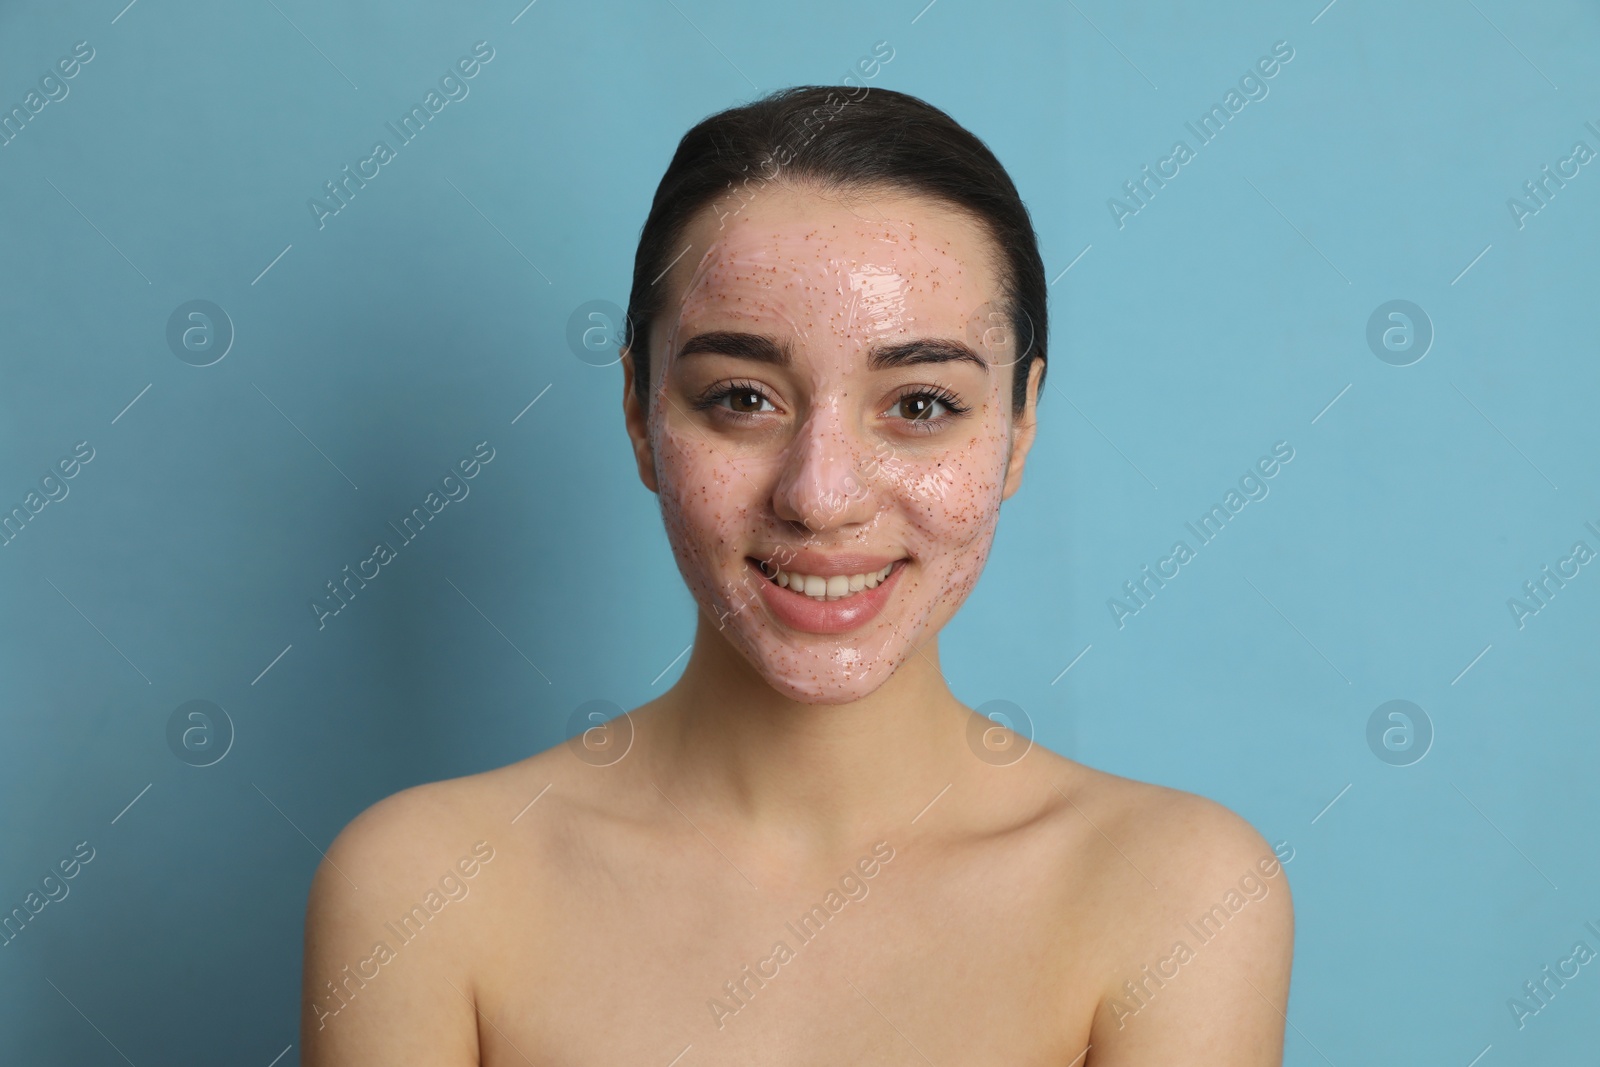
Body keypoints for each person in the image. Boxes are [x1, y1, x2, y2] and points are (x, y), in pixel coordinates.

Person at [301, 84, 1294, 1065]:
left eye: (918, 404)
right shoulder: (424, 889)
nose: (820, 496)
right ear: (640, 411)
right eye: (741, 396)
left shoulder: (1177, 896)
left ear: (1019, 426)